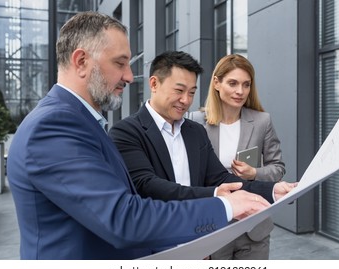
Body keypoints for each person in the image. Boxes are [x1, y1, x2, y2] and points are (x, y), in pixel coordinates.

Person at [6, 11, 273, 260]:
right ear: (81, 62)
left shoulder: (80, 121)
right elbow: (124, 218)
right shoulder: (55, 126)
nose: (130, 77)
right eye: (120, 63)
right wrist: (225, 206)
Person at [108, 51, 296, 257]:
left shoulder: (195, 131)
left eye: (191, 92)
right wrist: (215, 195)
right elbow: (148, 185)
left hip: (201, 244)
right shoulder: (126, 132)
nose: (185, 100)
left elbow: (220, 178)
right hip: (157, 249)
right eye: (179, 90)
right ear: (154, 84)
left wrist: (272, 190)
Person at [188, 54, 285, 259]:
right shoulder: (196, 122)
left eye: (246, 84)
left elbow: (277, 167)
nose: (240, 91)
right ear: (217, 83)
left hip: (253, 228)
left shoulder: (261, 121)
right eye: (233, 83)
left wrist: (254, 173)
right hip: (214, 227)